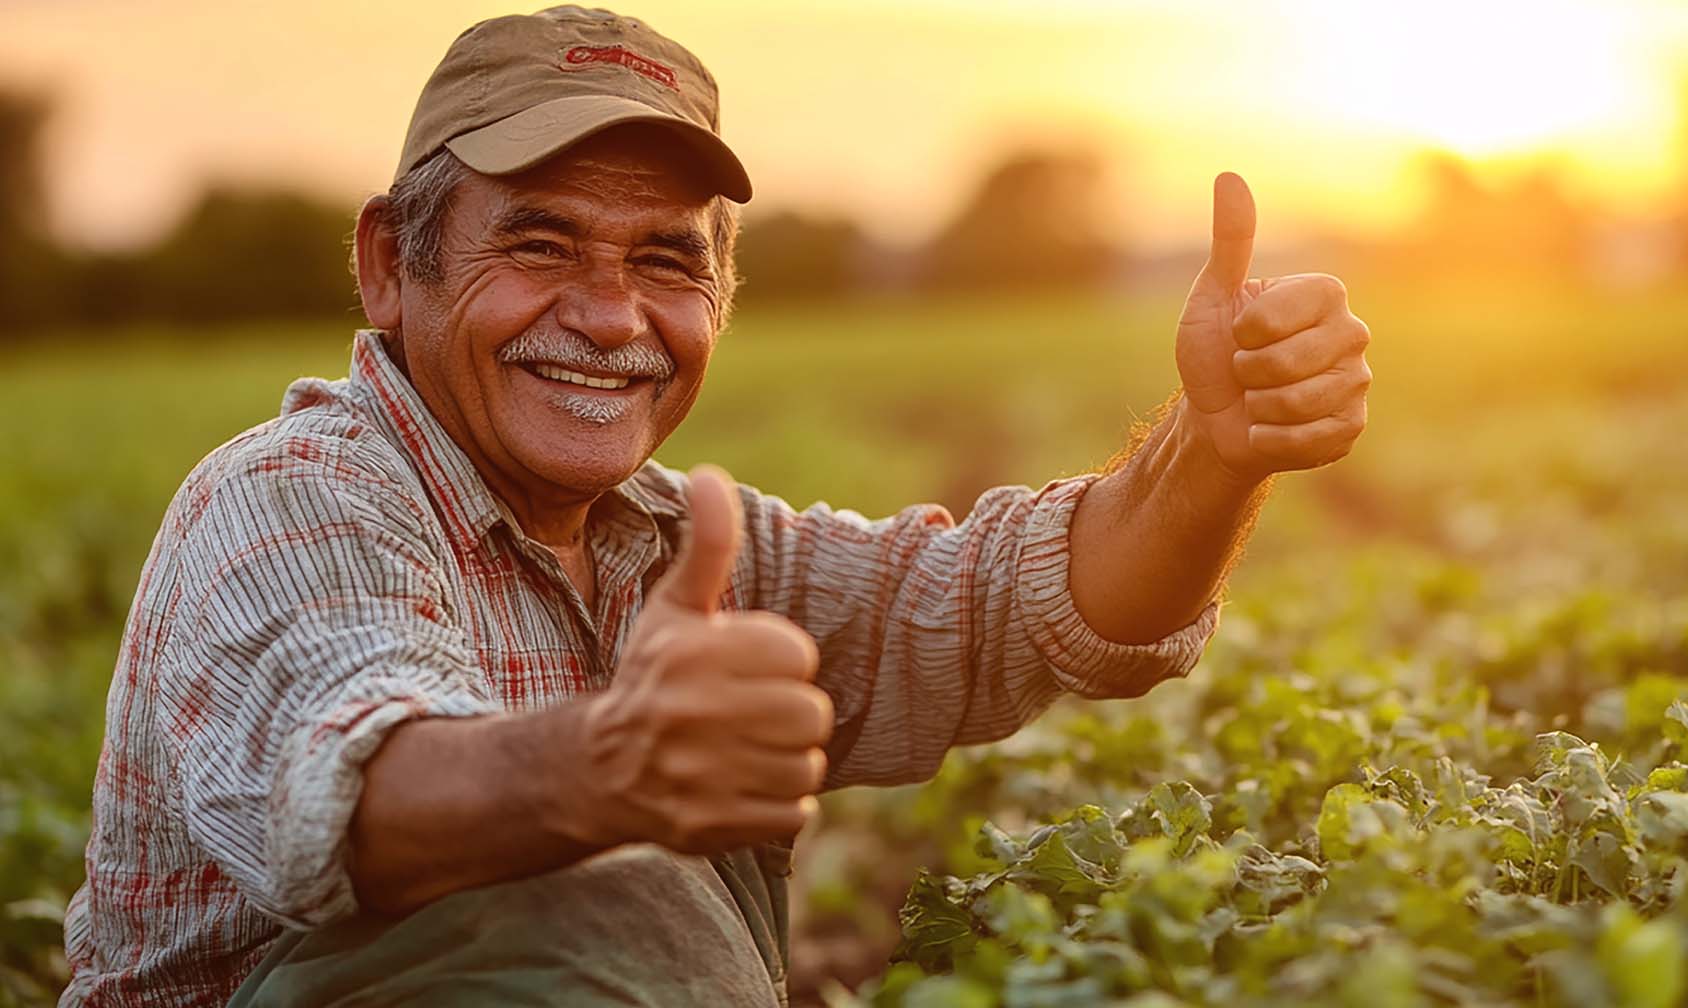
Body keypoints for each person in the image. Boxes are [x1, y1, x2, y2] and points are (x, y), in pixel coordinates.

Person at [60, 6, 1371, 1006]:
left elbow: (1009, 606)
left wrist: (1212, 450)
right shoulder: (294, 498)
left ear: (721, 300)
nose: (610, 315)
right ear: (391, 265)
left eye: (664, 262)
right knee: (610, 900)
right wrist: (615, 765)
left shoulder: (688, 541)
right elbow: (353, 792)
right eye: (539, 243)